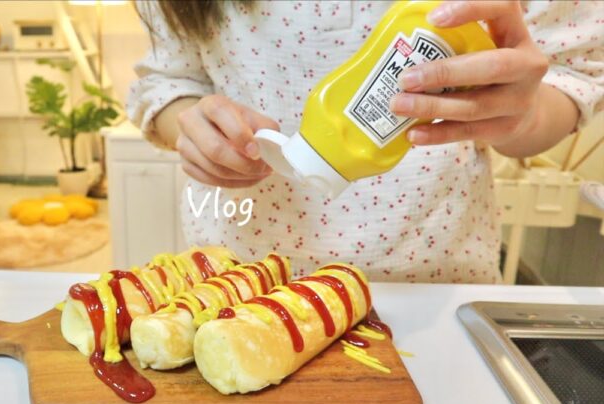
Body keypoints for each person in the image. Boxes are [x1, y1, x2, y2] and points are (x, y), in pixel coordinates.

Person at [128, 0, 603, 282]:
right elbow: (166, 81)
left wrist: (522, 115)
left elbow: (571, 72)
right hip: (240, 274)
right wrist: (192, 125)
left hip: (434, 277)